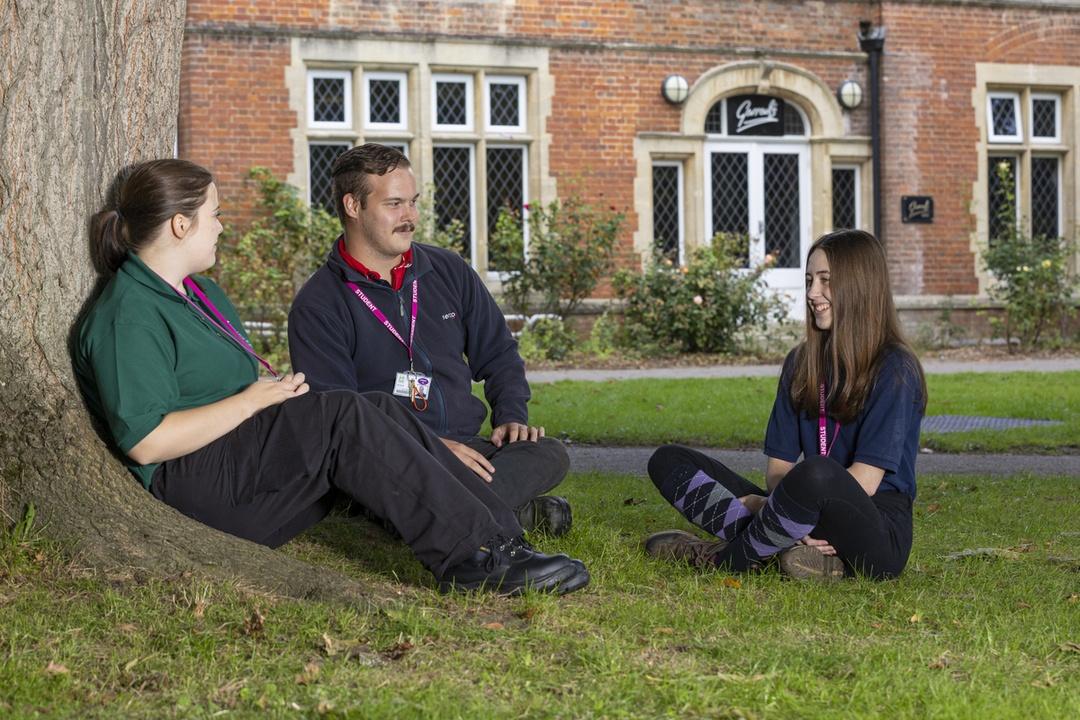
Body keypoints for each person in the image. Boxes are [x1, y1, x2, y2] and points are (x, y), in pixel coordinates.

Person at [74, 159, 589, 596]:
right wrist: (254, 402)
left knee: (378, 409)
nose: (223, 226)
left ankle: (504, 542)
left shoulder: (202, 295)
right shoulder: (130, 312)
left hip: (242, 458)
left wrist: (270, 402)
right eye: (216, 215)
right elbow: (146, 442)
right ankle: (475, 560)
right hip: (197, 480)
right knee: (346, 412)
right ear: (180, 225)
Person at [288, 144, 572, 536]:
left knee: (548, 453)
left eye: (413, 202)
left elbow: (500, 353)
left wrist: (511, 416)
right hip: (390, 456)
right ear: (353, 207)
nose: (411, 217)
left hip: (468, 447)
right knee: (375, 480)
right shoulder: (318, 305)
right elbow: (339, 417)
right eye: (394, 204)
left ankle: (444, 516)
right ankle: (497, 512)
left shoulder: (449, 270)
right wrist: (428, 447)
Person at [643, 229, 926, 580]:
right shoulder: (801, 362)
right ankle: (796, 553)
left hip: (876, 529)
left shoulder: (895, 368)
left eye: (825, 281)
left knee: (817, 471)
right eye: (809, 280)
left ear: (860, 287)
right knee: (670, 461)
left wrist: (770, 508)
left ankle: (729, 558)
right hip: (797, 504)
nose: (812, 294)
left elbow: (865, 483)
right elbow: (778, 470)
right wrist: (781, 507)